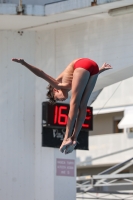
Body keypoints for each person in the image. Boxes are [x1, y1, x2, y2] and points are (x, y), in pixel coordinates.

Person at [12, 58, 112, 154]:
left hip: (81, 64)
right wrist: (101, 70)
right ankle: (74, 138)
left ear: (55, 91)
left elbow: (41, 74)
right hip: (93, 68)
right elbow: (85, 76)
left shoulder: (57, 85)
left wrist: (24, 63)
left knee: (74, 103)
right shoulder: (70, 84)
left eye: (58, 98)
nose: (62, 100)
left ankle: (67, 138)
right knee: (83, 105)